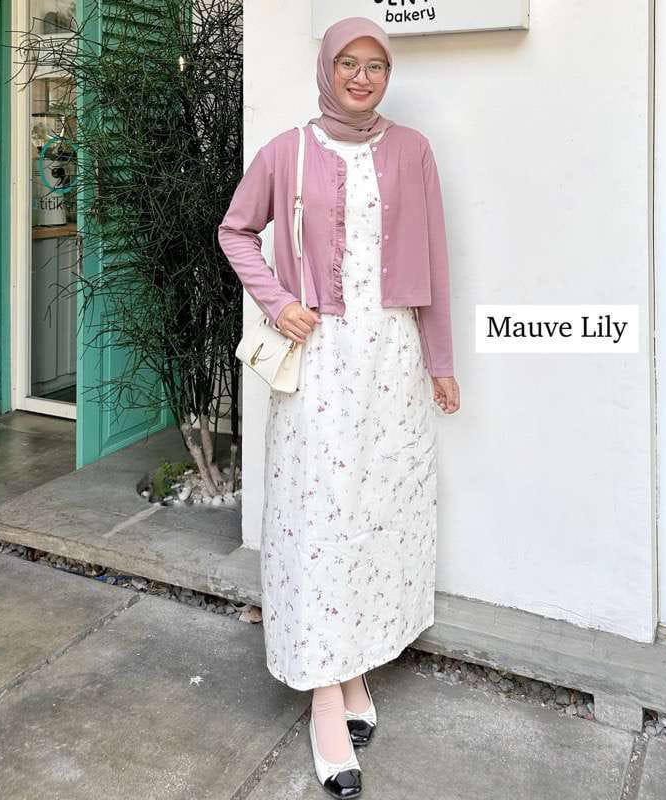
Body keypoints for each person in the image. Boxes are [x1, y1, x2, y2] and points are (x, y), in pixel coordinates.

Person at [218, 16, 460, 798]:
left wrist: (440, 363)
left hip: (390, 361)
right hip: (320, 364)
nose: (361, 77)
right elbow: (235, 231)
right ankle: (326, 696)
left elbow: (435, 264)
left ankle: (352, 668)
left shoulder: (413, 150)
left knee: (374, 514)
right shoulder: (287, 151)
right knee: (318, 518)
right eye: (348, 63)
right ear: (327, 69)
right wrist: (277, 300)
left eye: (375, 66)